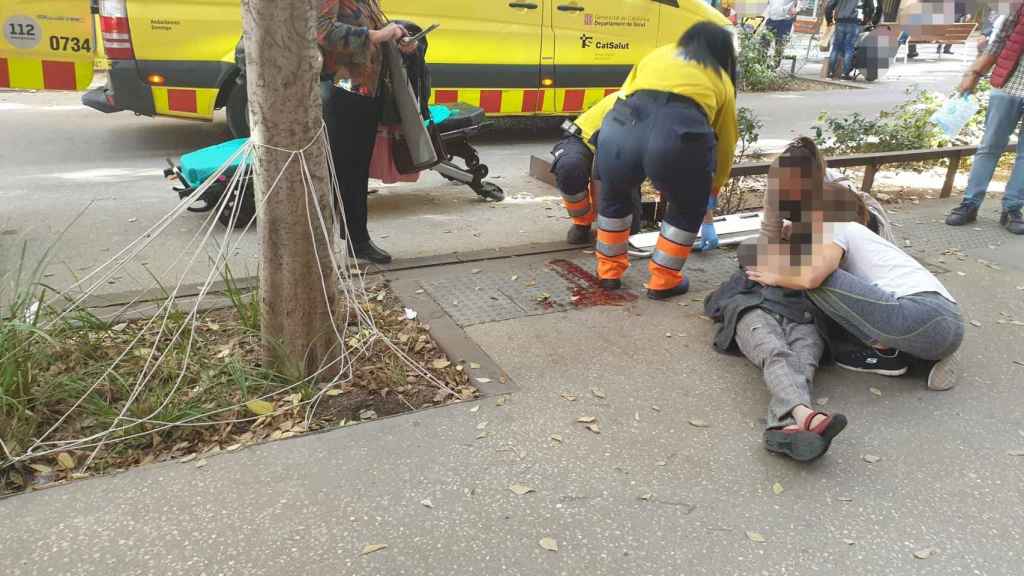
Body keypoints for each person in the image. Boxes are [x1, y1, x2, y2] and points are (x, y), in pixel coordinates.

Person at [745, 140, 965, 392]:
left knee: (817, 278)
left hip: (926, 315)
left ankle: (885, 350)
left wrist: (775, 276)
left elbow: (811, 279)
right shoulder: (839, 222)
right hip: (944, 322)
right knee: (810, 270)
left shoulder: (834, 222)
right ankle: (910, 354)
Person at [594, 22, 738, 300]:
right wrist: (712, 189)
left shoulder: (656, 54)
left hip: (620, 126)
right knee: (687, 205)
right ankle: (663, 280)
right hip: (678, 134)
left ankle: (608, 272)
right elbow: (726, 141)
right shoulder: (720, 76)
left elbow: (622, 95)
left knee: (615, 195)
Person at [317, 0, 417, 264]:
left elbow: (373, 28)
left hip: (365, 89)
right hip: (342, 89)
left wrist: (398, 38)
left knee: (356, 168)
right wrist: (375, 35)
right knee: (344, 168)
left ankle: (355, 238)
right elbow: (322, 30)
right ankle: (354, 240)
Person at [945, 0, 1024, 235]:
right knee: (989, 147)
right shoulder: (1018, 5)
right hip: (1008, 86)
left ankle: (1012, 208)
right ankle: (970, 203)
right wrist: (975, 73)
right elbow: (998, 42)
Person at [552, 92, 641, 245]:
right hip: (582, 139)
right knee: (570, 168)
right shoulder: (629, 102)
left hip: (616, 147)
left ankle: (617, 224)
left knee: (627, 228)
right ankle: (581, 223)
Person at [825, 0, 876, 79]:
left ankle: (830, 73)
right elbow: (871, 8)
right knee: (849, 48)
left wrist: (829, 20)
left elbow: (829, 6)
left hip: (840, 21)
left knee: (836, 48)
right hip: (854, 22)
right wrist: (866, 20)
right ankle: (845, 74)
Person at [762, 0, 800, 68]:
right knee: (764, 43)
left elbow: (802, 2)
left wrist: (797, 9)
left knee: (780, 45)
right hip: (771, 18)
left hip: (785, 20)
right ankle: (761, 65)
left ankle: (775, 67)